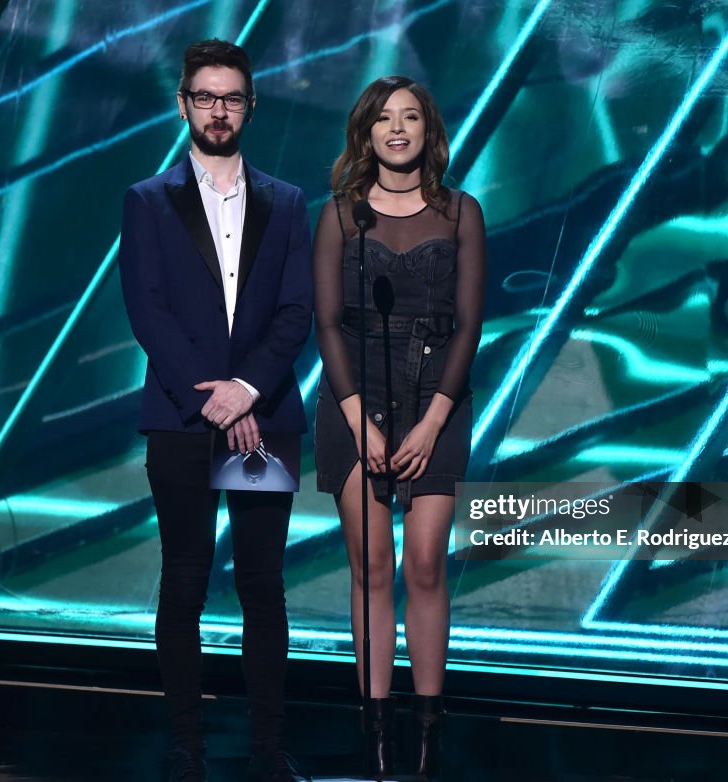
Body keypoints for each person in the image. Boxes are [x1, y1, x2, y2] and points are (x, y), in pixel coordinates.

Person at [119, 39, 312, 782]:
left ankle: (267, 748)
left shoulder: (288, 202)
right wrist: (217, 398)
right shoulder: (146, 200)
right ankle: (187, 745)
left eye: (231, 97)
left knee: (263, 582)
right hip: (180, 420)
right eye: (205, 96)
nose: (218, 109)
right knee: (186, 576)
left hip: (262, 424)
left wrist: (248, 393)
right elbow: (149, 311)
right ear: (183, 104)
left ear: (250, 105)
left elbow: (295, 312)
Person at [313, 76, 486, 779]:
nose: (397, 128)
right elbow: (326, 323)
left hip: (436, 402)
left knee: (423, 565)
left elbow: (471, 324)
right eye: (384, 117)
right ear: (366, 132)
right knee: (372, 569)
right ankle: (375, 734)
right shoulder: (340, 216)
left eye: (411, 116)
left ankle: (427, 737)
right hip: (355, 401)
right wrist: (362, 421)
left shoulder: (459, 212)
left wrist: (431, 422)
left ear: (428, 130)